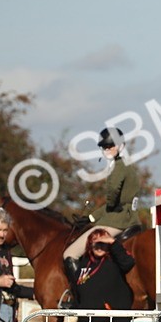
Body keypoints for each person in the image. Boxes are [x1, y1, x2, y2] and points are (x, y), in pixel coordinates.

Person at [62, 126, 141, 298]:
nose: (107, 150)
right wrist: (90, 217)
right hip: (129, 217)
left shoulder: (118, 167)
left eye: (110, 146)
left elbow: (112, 197)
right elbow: (113, 204)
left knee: (70, 253)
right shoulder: (128, 166)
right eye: (104, 147)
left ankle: (79, 295)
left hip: (118, 221)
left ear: (120, 146)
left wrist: (109, 206)